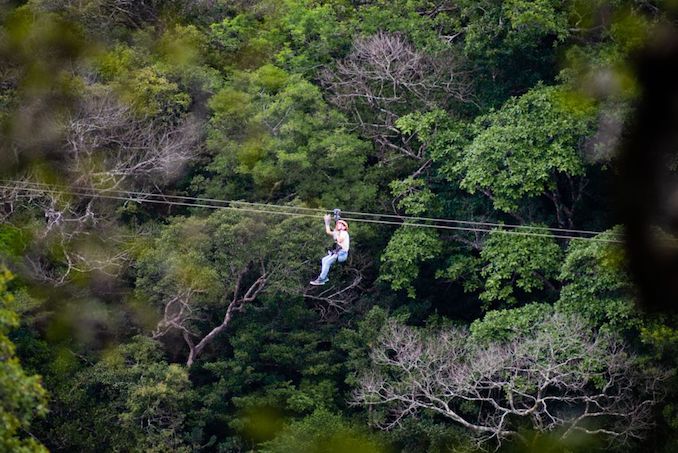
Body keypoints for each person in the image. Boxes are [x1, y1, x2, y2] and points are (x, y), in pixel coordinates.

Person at [310, 214, 350, 285]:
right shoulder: (338, 233)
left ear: (344, 227)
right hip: (338, 252)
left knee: (327, 262)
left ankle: (321, 279)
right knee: (324, 260)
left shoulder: (344, 233)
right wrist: (327, 223)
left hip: (342, 253)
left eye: (341, 224)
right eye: (338, 224)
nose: (338, 225)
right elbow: (328, 232)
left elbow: (340, 240)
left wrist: (337, 232)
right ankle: (324, 277)